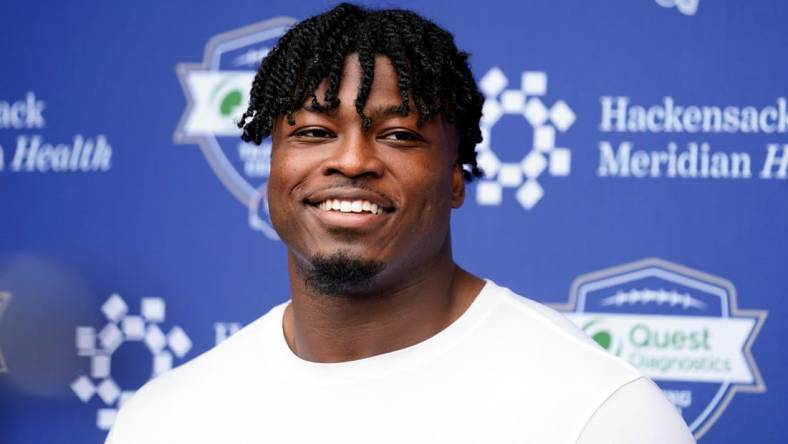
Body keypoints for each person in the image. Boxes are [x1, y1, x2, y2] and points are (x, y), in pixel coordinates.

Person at [107, 4, 695, 443]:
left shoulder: (597, 413)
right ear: (273, 165)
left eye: (397, 135)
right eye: (313, 132)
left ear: (457, 177)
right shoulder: (165, 419)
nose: (353, 161)